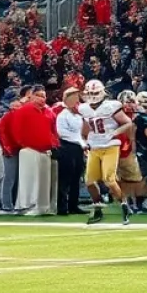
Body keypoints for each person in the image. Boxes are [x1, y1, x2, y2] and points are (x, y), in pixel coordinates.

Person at [79, 79, 132, 225]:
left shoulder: (111, 106)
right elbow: (84, 131)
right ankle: (98, 208)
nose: (93, 96)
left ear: (102, 92)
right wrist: (85, 142)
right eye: (90, 93)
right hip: (94, 147)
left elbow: (127, 122)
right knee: (89, 181)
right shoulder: (84, 109)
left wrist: (114, 133)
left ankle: (124, 204)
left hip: (110, 145)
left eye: (95, 93)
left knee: (109, 179)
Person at [12, 84, 57, 216]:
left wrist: (53, 144)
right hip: (29, 149)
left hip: (45, 150)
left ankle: (43, 207)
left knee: (44, 181)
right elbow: (16, 129)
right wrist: (23, 144)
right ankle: (26, 206)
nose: (42, 99)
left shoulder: (49, 112)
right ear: (31, 96)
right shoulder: (23, 110)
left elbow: (53, 131)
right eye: (38, 96)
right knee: (29, 179)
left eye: (43, 96)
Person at [54, 87, 86, 215]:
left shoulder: (78, 116)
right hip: (66, 147)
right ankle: (62, 206)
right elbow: (62, 133)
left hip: (77, 147)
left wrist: (83, 143)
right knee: (65, 177)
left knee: (76, 177)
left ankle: (73, 205)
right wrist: (79, 141)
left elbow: (80, 132)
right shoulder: (63, 115)